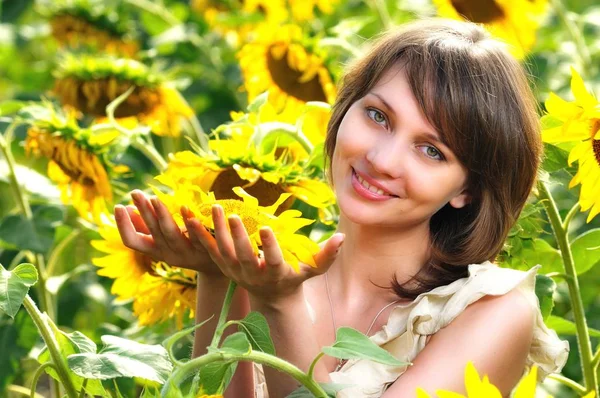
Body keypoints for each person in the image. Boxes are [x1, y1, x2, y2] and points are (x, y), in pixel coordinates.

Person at [115, 19, 569, 398]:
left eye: (431, 151)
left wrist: (280, 305)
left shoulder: (492, 309)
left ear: (467, 190)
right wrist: (217, 276)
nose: (382, 159)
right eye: (378, 116)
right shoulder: (274, 275)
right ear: (345, 107)